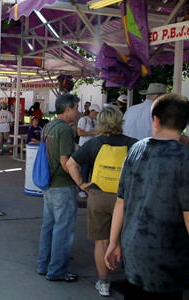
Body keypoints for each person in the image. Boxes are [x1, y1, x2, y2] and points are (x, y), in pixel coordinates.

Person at [105, 93, 189, 299]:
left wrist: (113, 241)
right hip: (169, 258)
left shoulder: (135, 150)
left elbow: (120, 201)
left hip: (133, 251)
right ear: (184, 125)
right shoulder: (184, 158)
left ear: (156, 120)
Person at [66, 105, 138, 297]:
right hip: (123, 198)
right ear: (119, 121)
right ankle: (131, 279)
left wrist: (82, 184)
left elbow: (71, 164)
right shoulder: (134, 144)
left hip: (97, 196)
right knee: (125, 239)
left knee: (101, 241)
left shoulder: (94, 144)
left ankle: (104, 283)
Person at [37, 93, 80, 282]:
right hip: (63, 186)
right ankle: (57, 271)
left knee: (48, 227)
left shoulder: (48, 126)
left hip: (49, 184)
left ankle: (43, 265)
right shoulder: (65, 130)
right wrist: (80, 182)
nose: (78, 111)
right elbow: (65, 162)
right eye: (77, 108)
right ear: (68, 108)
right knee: (63, 230)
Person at [76, 103, 100, 198]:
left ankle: (90, 188)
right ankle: (82, 188)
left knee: (92, 168)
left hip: (93, 147)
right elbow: (80, 132)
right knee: (85, 169)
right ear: (92, 111)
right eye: (96, 112)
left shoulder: (96, 121)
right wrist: (92, 132)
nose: (96, 115)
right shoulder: (83, 120)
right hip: (84, 147)